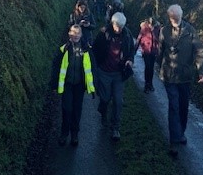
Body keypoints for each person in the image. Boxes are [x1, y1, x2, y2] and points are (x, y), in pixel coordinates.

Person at [158, 4, 203, 156]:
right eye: (171, 18)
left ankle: (181, 133)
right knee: (174, 106)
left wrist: (202, 70)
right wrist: (158, 64)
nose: (173, 20)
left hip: (185, 77)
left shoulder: (190, 31)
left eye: (176, 18)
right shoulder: (164, 31)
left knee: (183, 107)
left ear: (181, 16)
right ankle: (174, 141)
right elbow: (160, 50)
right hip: (169, 76)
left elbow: (199, 51)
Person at [51, 24, 96, 147]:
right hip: (67, 85)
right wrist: (54, 85)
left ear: (81, 35)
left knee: (77, 110)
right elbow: (56, 68)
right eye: (73, 32)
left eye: (78, 33)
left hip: (79, 86)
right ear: (69, 34)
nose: (75, 35)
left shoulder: (86, 49)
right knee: (67, 109)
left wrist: (93, 86)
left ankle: (74, 134)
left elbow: (93, 68)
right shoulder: (63, 49)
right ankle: (64, 133)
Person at [92, 11, 135, 141]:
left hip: (119, 74)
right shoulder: (103, 33)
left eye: (121, 27)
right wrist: (95, 69)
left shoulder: (127, 34)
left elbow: (131, 50)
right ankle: (103, 112)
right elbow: (94, 51)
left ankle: (115, 128)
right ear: (112, 23)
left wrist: (130, 60)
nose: (119, 29)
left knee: (118, 101)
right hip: (104, 72)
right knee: (105, 99)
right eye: (117, 26)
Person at [135, 17, 160, 93]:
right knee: (147, 67)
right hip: (146, 51)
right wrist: (134, 50)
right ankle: (147, 84)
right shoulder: (144, 28)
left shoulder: (158, 29)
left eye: (152, 25)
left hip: (154, 51)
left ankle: (150, 84)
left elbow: (160, 39)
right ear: (148, 23)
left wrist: (159, 50)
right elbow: (139, 38)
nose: (151, 26)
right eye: (150, 25)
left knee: (151, 68)